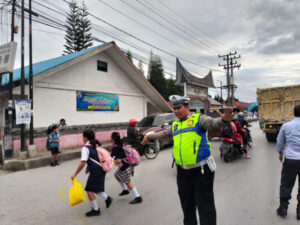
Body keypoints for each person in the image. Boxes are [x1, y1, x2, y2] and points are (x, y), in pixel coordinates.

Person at [142, 96, 236, 225]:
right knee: (187, 207)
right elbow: (163, 133)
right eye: (174, 108)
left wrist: (224, 119)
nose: (175, 111)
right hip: (182, 172)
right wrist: (149, 137)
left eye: (178, 108)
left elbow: (213, 124)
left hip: (201, 171)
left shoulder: (199, 119)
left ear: (187, 107)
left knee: (205, 207)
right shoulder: (175, 125)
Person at [71, 129, 113, 217]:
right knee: (95, 188)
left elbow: (83, 162)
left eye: (83, 137)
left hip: (96, 170)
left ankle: (96, 210)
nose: (82, 138)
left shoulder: (85, 148)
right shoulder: (94, 145)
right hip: (100, 168)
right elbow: (94, 158)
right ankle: (107, 199)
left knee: (89, 189)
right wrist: (88, 167)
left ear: (85, 138)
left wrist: (75, 174)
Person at [276, 105, 300, 220]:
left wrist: (280, 153)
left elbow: (280, 142)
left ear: (294, 113)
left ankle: (283, 208)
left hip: (291, 159)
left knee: (286, 183)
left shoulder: (286, 126)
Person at [110, 132, 142, 204]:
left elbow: (110, 158)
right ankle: (125, 190)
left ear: (113, 139)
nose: (110, 138)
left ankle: (138, 197)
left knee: (127, 182)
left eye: (110, 137)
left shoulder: (116, 147)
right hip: (126, 164)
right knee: (116, 175)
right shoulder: (120, 144)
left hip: (126, 165)